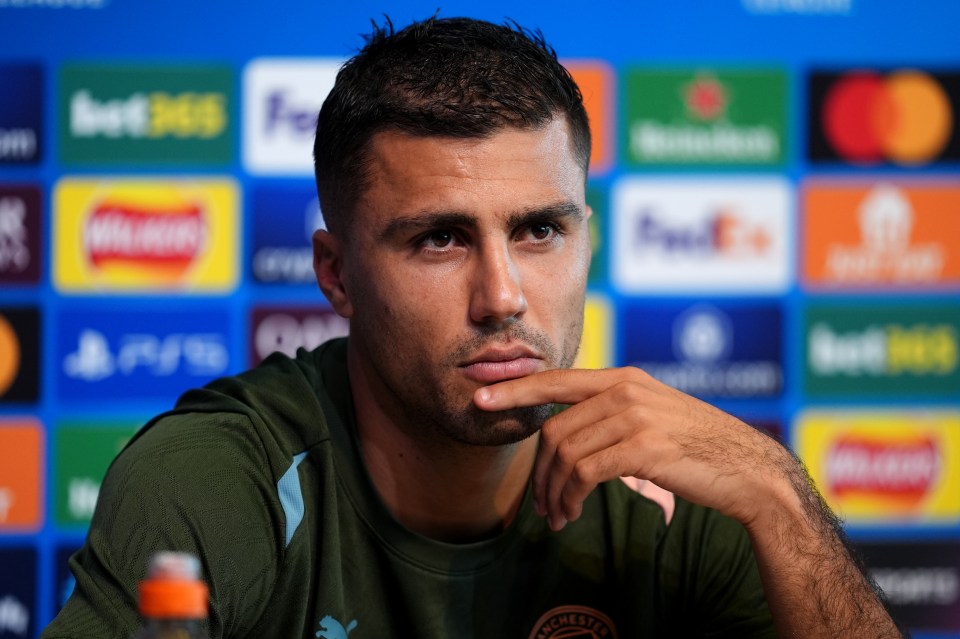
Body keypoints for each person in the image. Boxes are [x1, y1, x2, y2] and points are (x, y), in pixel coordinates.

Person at [44, 16, 903, 639]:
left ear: (587, 241)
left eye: (539, 230)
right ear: (336, 275)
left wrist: (780, 495)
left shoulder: (683, 486)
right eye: (440, 238)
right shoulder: (218, 477)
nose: (503, 296)